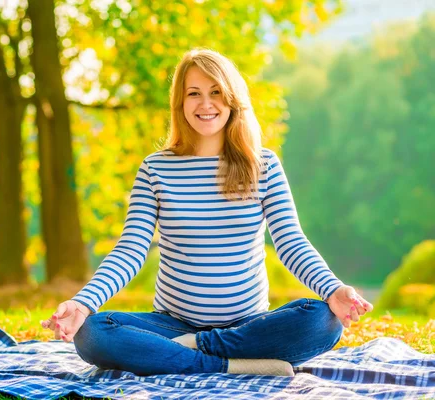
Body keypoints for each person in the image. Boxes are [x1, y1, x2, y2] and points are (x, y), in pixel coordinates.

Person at [41, 48, 373, 377]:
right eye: (194, 94)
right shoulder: (156, 168)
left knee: (322, 320)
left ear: (232, 99)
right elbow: (131, 250)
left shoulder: (264, 164)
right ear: (180, 103)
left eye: (215, 92)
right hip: (172, 326)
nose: (205, 104)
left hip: (248, 326)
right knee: (93, 332)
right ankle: (227, 364)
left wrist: (332, 290)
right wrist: (83, 303)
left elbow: (290, 242)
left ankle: (192, 352)